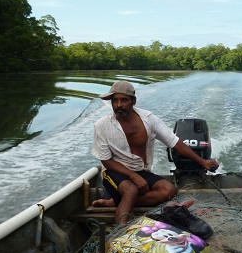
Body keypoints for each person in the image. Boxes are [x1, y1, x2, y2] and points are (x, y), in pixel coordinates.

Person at [92, 80, 219, 225]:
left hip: (141, 170)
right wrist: (132, 175)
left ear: (133, 100)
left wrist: (203, 162)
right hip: (113, 172)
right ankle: (119, 234)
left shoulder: (148, 119)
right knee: (131, 190)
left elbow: (175, 142)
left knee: (169, 190)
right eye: (115, 101)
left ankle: (115, 202)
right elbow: (106, 160)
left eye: (124, 100)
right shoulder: (102, 125)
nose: (118, 105)